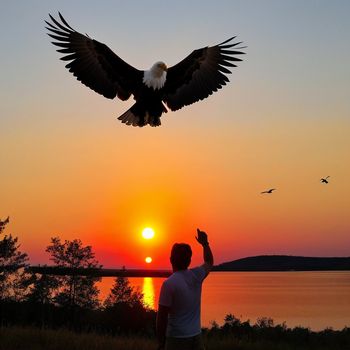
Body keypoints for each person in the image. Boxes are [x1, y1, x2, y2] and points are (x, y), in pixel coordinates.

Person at [156, 228, 214, 350]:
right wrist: (205, 244)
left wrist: (161, 343)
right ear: (189, 260)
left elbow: (161, 318)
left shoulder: (169, 284)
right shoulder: (197, 275)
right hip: (196, 337)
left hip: (176, 339)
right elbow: (209, 261)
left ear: (171, 259)